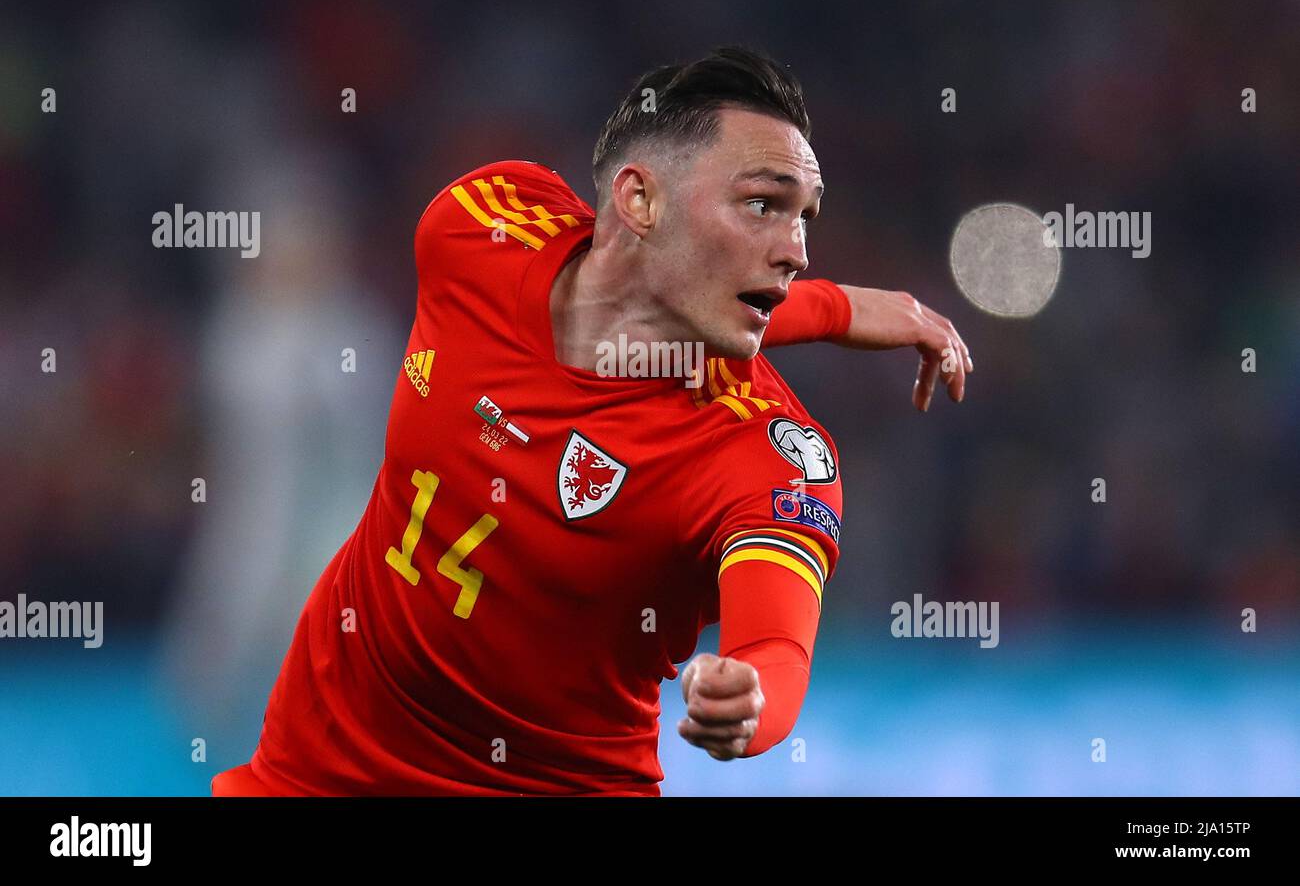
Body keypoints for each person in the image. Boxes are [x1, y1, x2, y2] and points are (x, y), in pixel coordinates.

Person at [212, 45, 971, 796]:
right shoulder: (477, 226)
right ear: (639, 201)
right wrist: (840, 308)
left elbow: (775, 645)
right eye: (763, 205)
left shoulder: (764, 457)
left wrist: (751, 697)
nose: (798, 250)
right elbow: (631, 289)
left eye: (805, 216)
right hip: (310, 776)